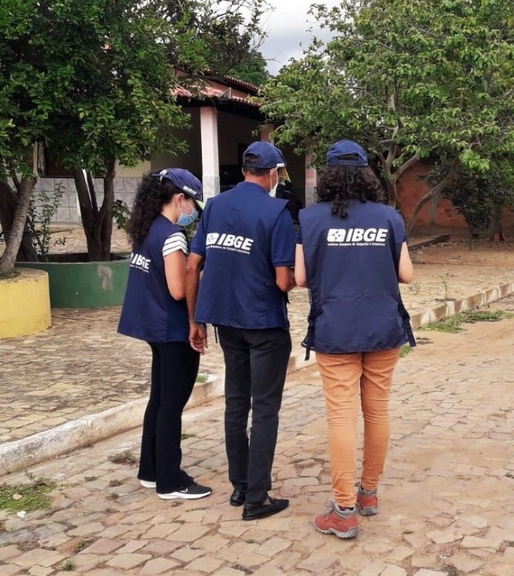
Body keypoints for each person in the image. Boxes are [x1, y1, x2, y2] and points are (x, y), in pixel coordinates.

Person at [296, 139, 415, 540]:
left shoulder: (309, 220)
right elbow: (407, 275)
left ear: (328, 176)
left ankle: (343, 510)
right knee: (377, 410)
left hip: (335, 329)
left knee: (341, 416)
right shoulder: (389, 218)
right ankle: (368, 495)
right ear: (367, 174)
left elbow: (298, 278)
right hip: (384, 328)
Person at [185, 141, 297, 521]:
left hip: (224, 321)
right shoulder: (276, 211)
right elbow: (283, 281)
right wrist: (300, 277)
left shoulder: (214, 207)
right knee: (265, 408)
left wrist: (195, 320)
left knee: (236, 403)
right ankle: (257, 498)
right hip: (264, 322)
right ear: (272, 174)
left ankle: (240, 487)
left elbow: (193, 266)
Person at [117, 168, 212, 501]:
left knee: (158, 399)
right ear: (180, 199)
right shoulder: (172, 235)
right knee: (172, 404)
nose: (192, 212)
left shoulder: (146, 229)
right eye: (192, 205)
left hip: (153, 327)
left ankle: (150, 469)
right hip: (172, 330)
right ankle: (171, 479)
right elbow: (176, 289)